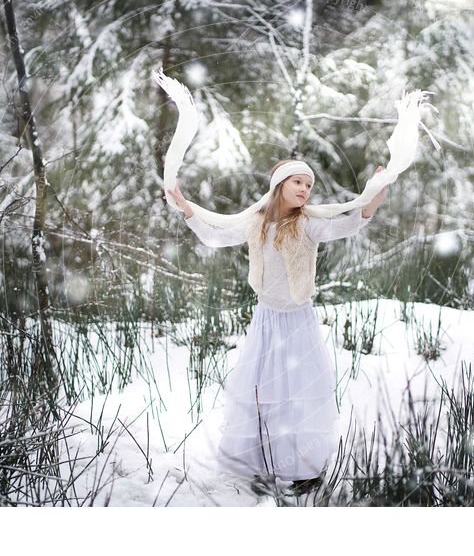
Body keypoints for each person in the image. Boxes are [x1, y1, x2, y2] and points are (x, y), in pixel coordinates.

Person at [163, 159, 388, 498]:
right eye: (297, 182)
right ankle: (263, 463)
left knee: (297, 392)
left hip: (298, 321)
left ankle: (303, 470)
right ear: (280, 184)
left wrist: (376, 192)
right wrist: (184, 205)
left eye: (309, 185)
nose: (304, 189)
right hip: (266, 320)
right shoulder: (257, 222)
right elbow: (213, 236)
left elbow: (349, 225)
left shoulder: (308, 223)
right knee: (262, 391)